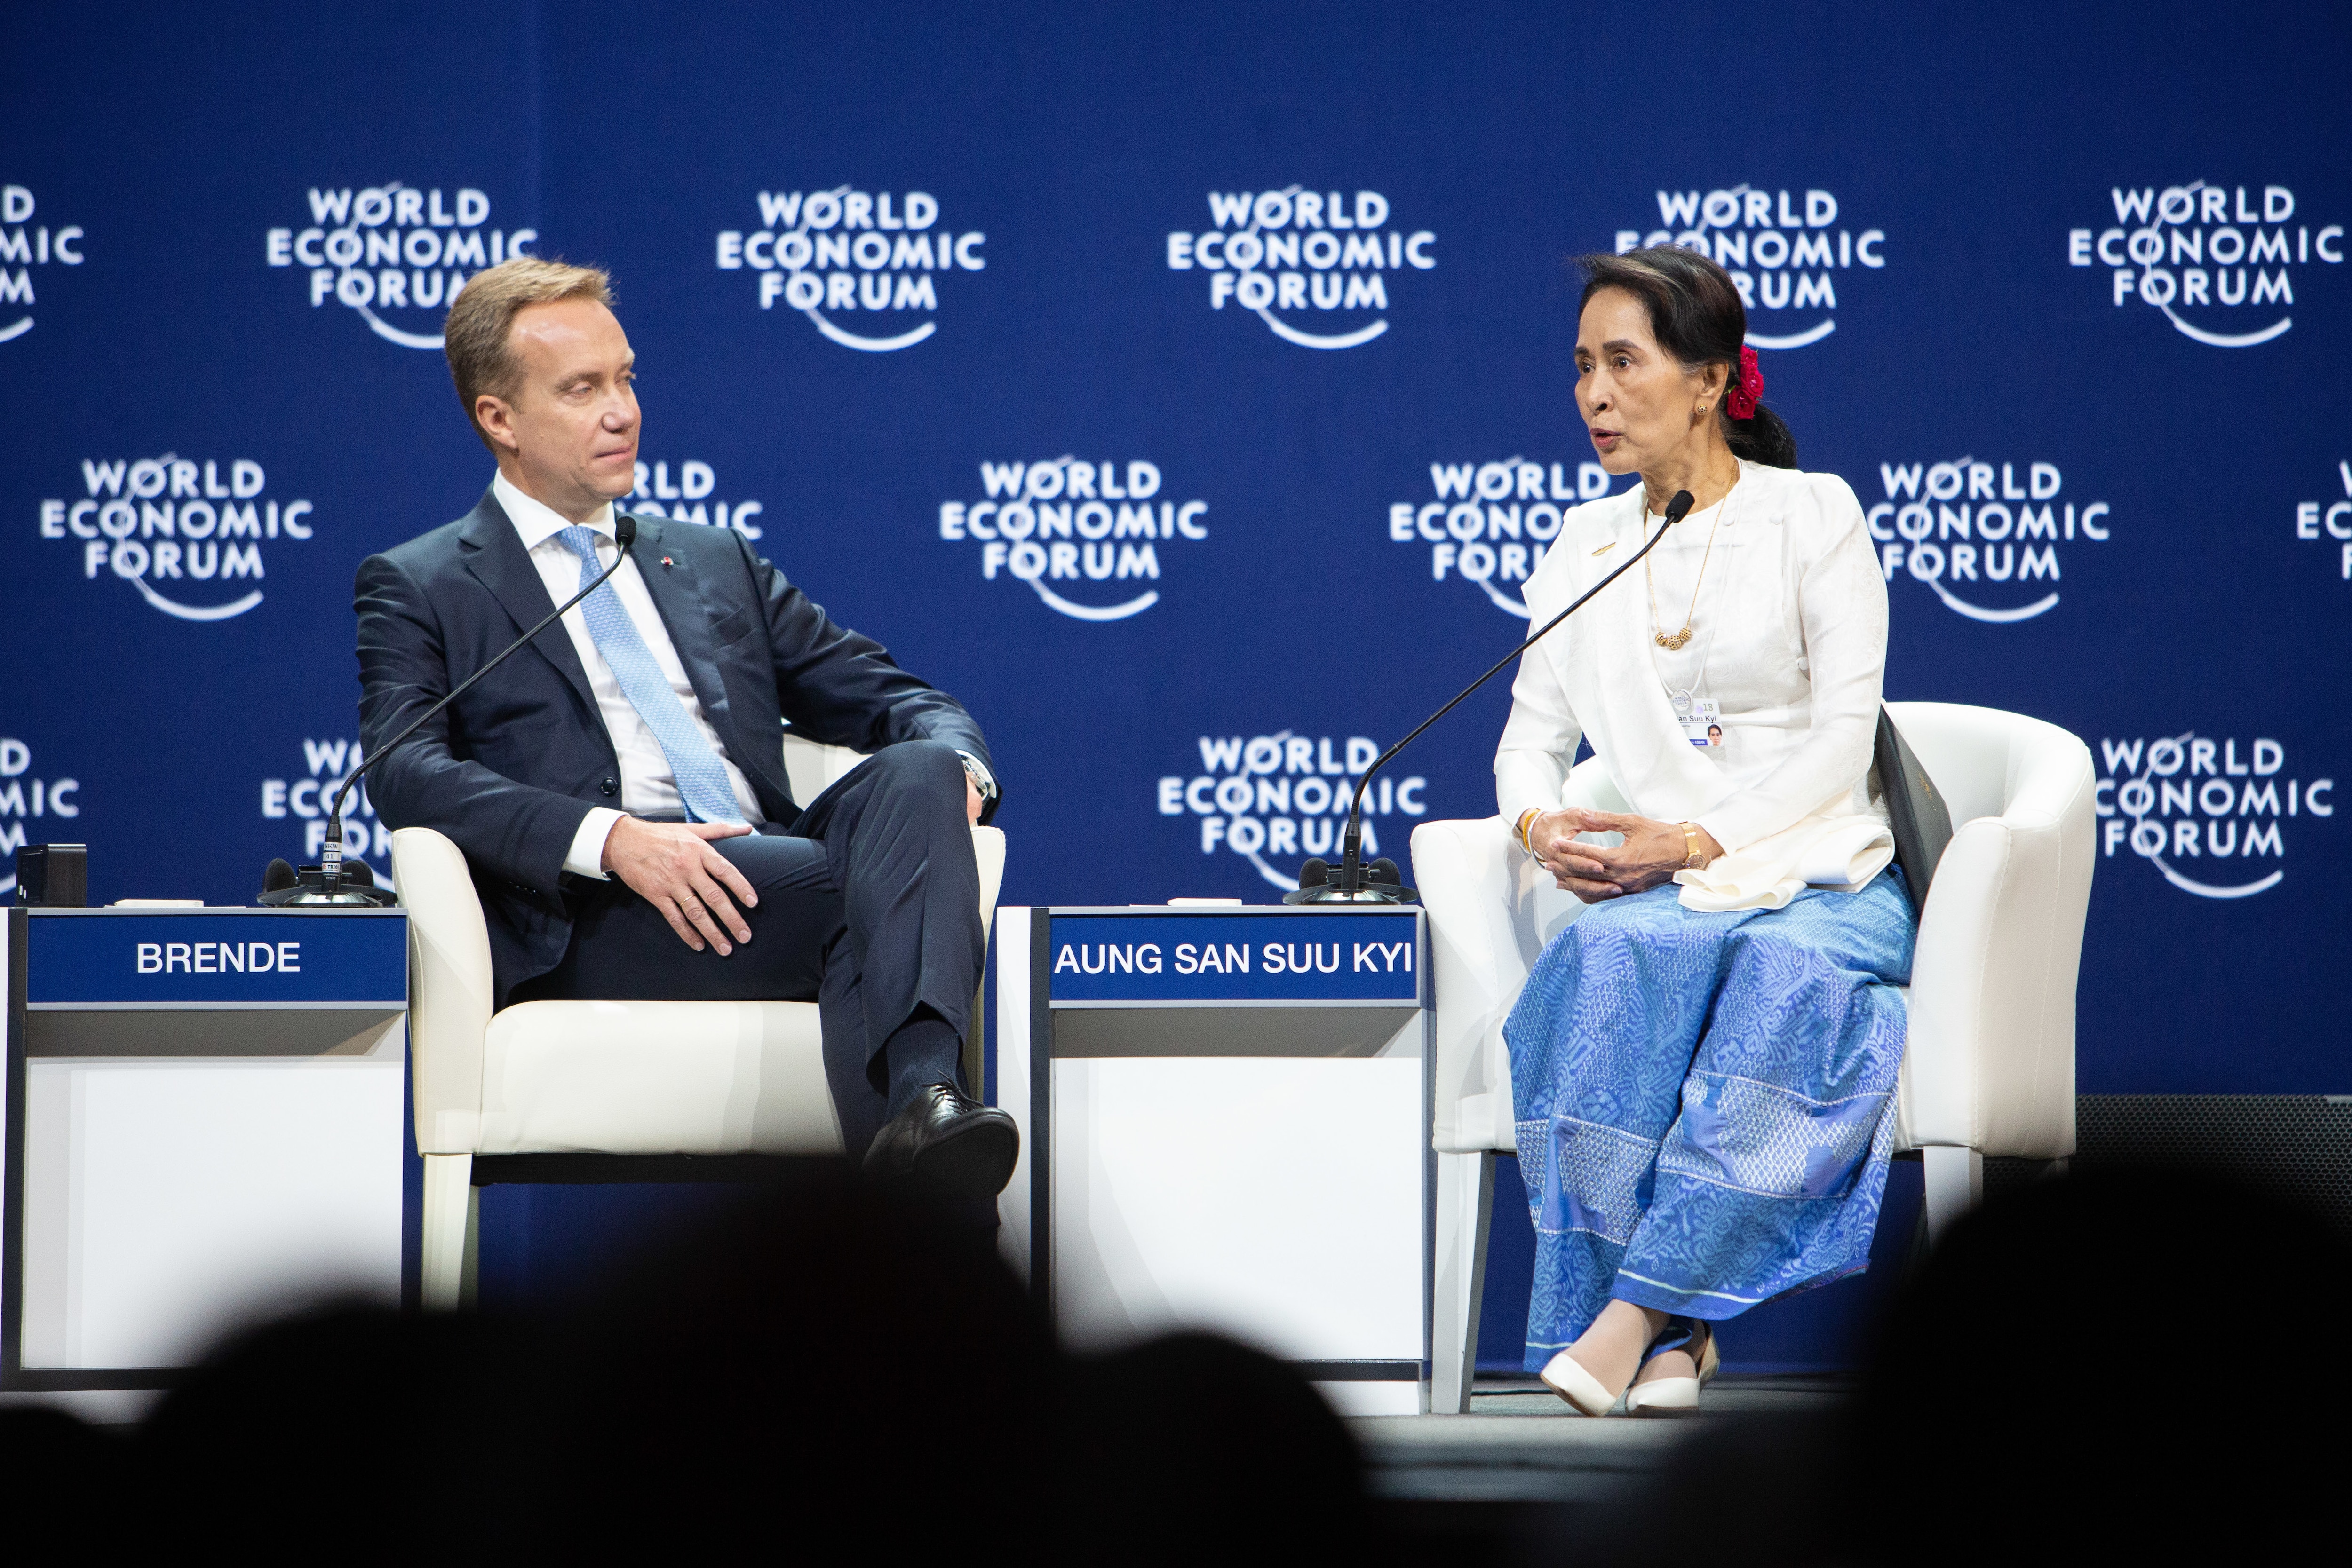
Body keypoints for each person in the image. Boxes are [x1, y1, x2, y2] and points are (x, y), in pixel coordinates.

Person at [355, 258, 1017, 1195]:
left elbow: (891, 695)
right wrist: (613, 840)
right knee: (885, 893)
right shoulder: (422, 583)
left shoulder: (711, 559)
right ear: (497, 418)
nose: (621, 410)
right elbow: (406, 769)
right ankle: (930, 1158)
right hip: (603, 916)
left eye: (625, 378)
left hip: (769, 877)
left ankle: (919, 1111)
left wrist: (962, 773)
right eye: (582, 389)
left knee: (916, 774)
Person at [1494, 246, 1912, 1415]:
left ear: (1709, 379)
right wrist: (1540, 826)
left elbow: (1842, 738)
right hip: (1658, 895)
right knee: (1604, 958)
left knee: (1788, 980)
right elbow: (1527, 742)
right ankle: (1675, 1338)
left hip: (1824, 871)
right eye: (1581, 366)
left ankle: (1624, 1320)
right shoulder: (1583, 545)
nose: (1593, 394)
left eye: (1622, 362)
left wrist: (1686, 841)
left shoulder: (1811, 513)